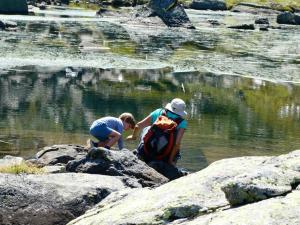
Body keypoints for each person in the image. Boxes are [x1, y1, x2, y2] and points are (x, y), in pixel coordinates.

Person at [127, 98, 187, 165]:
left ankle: (141, 155)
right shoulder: (182, 122)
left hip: (147, 151)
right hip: (165, 156)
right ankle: (170, 163)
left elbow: (138, 126)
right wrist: (170, 161)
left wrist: (133, 136)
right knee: (177, 145)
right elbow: (177, 144)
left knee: (147, 128)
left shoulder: (158, 112)